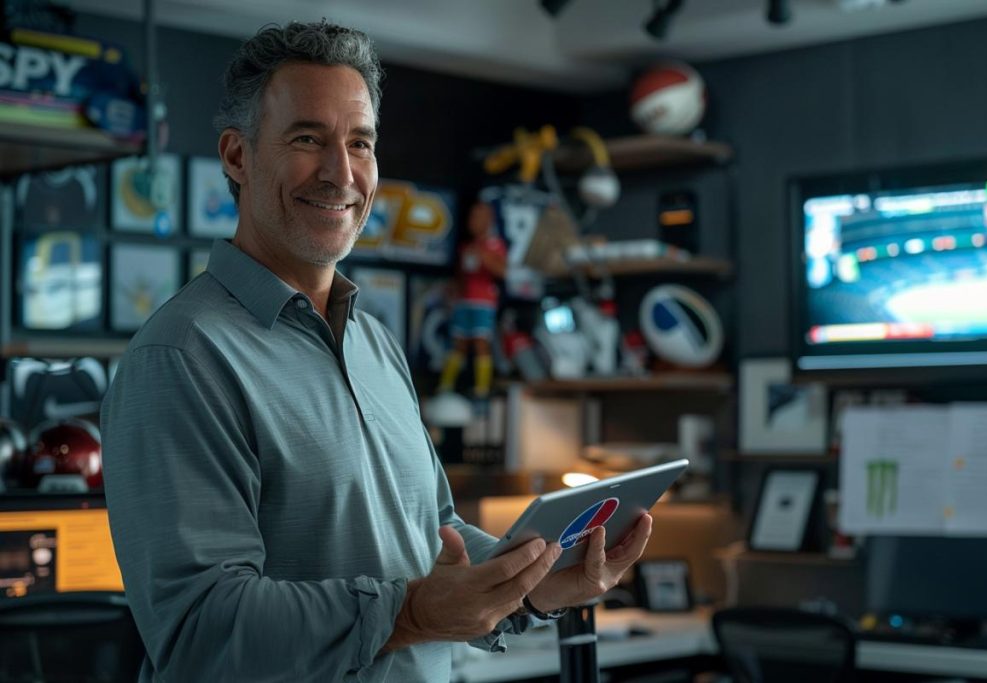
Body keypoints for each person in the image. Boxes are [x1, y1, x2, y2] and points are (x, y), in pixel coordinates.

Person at [101, 20, 652, 682]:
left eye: (359, 142)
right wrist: (413, 613)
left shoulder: (374, 341)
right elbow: (202, 630)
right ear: (237, 156)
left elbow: (432, 530)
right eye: (307, 138)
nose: (342, 173)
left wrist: (532, 583)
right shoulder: (180, 357)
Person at [437, 200, 507, 399]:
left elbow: (503, 271)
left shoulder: (495, 245)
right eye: (472, 217)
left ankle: (482, 387)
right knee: (458, 343)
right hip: (463, 301)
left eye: (478, 217)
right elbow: (461, 275)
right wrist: (453, 291)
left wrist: (484, 256)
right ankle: (446, 384)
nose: (473, 221)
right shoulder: (466, 247)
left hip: (483, 302)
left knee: (480, 342)